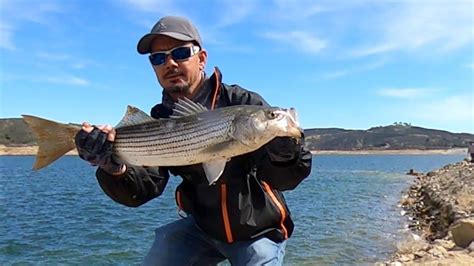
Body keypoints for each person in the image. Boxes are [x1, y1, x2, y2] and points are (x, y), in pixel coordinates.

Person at [74, 16, 312, 265]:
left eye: (180, 52)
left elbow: (286, 180)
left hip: (257, 232)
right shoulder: (160, 118)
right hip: (201, 229)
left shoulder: (243, 103)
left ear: (202, 59)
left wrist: (287, 155)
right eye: (158, 58)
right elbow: (144, 188)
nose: (170, 63)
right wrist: (113, 169)